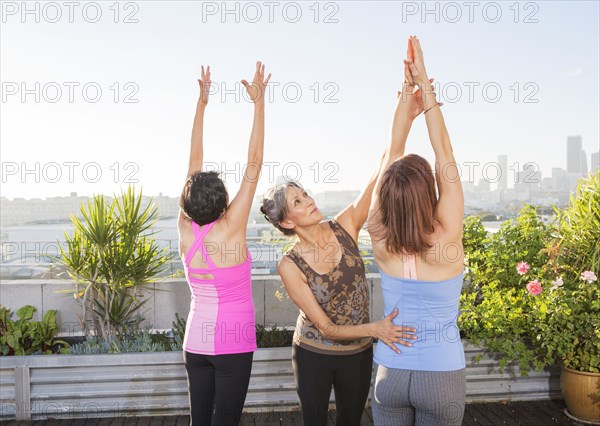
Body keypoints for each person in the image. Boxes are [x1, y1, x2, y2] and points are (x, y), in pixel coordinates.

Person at [260, 126, 421, 424]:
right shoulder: (290, 265)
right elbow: (326, 329)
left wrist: (405, 112)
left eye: (305, 194)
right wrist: (377, 329)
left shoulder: (344, 225)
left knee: (351, 420)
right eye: (297, 202)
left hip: (358, 354)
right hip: (313, 354)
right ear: (285, 221)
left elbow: (382, 169)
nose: (309, 200)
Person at [367, 35, 465, 426]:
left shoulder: (378, 234)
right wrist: (424, 86)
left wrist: (405, 93)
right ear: (430, 192)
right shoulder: (447, 240)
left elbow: (391, 151)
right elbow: (445, 153)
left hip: (389, 373)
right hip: (439, 376)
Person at [178, 62, 271, 426]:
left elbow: (192, 165)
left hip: (195, 345)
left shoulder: (184, 228)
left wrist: (201, 105)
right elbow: (255, 163)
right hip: (233, 344)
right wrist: (259, 104)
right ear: (224, 204)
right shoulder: (231, 228)